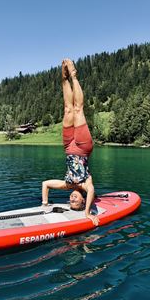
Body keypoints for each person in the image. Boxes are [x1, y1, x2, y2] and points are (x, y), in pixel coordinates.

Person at [41, 58, 99, 226]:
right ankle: (74, 76)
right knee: (78, 109)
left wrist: (45, 204)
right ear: (83, 200)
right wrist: (87, 213)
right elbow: (92, 191)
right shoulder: (85, 184)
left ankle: (64, 78)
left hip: (68, 147)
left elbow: (45, 184)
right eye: (76, 200)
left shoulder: (67, 185)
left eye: (71, 201)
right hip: (82, 147)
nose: (73, 199)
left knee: (67, 109)